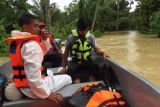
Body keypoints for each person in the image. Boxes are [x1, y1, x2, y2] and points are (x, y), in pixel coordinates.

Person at [5, 14, 72, 106]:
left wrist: (44, 39)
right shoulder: (31, 45)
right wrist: (47, 94)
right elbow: (33, 77)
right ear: (26, 27)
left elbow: (40, 54)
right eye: (35, 26)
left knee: (50, 73)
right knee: (68, 78)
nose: (38, 29)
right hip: (32, 89)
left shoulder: (16, 42)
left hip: (22, 85)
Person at [60, 17, 108, 83]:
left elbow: (96, 50)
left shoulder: (91, 37)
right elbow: (66, 53)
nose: (84, 32)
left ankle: (92, 85)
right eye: (82, 30)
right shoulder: (71, 38)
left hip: (87, 60)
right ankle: (78, 87)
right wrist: (64, 67)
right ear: (78, 28)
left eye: (86, 30)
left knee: (95, 66)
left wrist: (102, 53)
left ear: (88, 28)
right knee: (71, 70)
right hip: (75, 61)